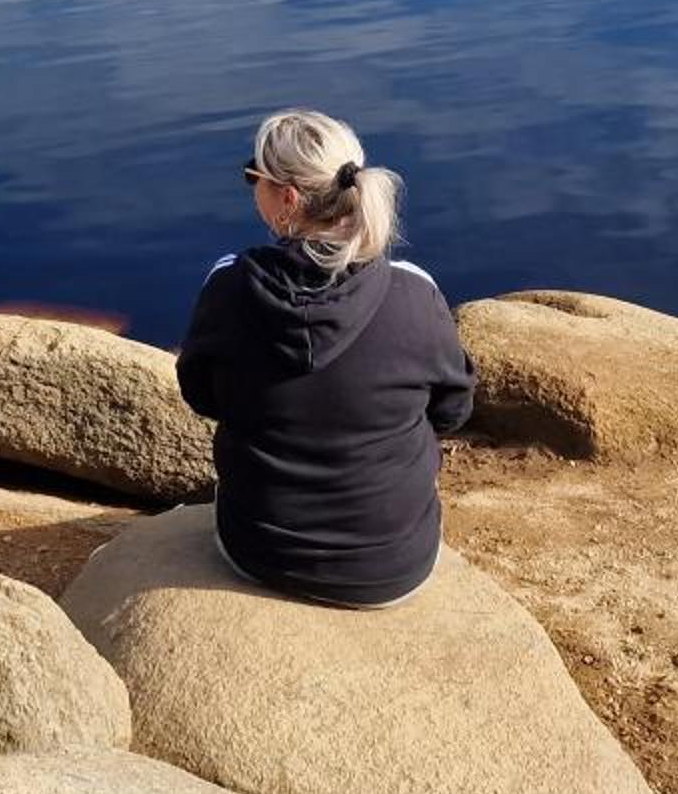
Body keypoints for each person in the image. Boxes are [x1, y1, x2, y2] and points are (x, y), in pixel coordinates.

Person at [175, 109, 475, 608]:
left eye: (254, 176)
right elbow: (452, 410)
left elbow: (201, 395)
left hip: (260, 550)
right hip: (394, 564)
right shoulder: (415, 294)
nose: (251, 185)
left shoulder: (229, 287)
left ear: (287, 199)